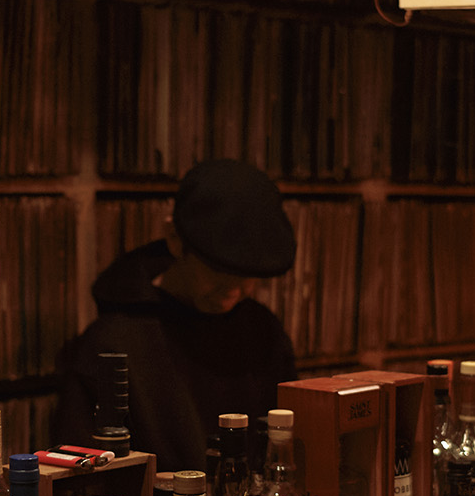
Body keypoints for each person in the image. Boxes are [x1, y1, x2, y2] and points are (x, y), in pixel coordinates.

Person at [56, 159, 298, 471]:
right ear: (174, 239)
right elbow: (82, 476)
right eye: (218, 270)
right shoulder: (113, 343)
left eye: (248, 276)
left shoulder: (262, 329)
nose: (234, 290)